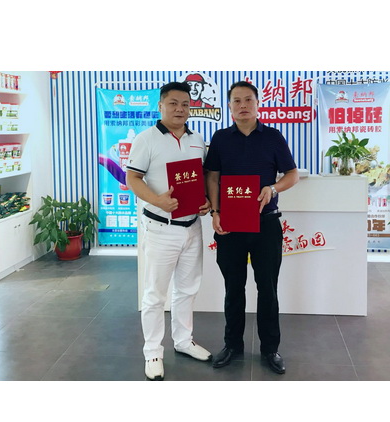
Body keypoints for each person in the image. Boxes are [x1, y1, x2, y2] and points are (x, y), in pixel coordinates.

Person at [204, 81, 299, 375]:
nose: (243, 105)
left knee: (267, 288)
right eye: (236, 100)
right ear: (229, 106)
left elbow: (292, 174)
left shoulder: (273, 137)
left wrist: (273, 187)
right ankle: (233, 345)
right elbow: (212, 177)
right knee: (233, 288)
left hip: (266, 223)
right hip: (230, 226)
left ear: (258, 104)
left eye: (248, 100)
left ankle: (271, 348)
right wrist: (215, 211)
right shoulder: (221, 138)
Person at [126, 81, 212, 381]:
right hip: (161, 227)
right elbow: (133, 178)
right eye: (173, 103)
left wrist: (205, 201)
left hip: (192, 226)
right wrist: (157, 200)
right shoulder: (146, 139)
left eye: (185, 104)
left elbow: (202, 177)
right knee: (155, 294)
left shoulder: (197, 139)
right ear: (160, 105)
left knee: (187, 289)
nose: (180, 109)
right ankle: (152, 352)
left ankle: (184, 341)